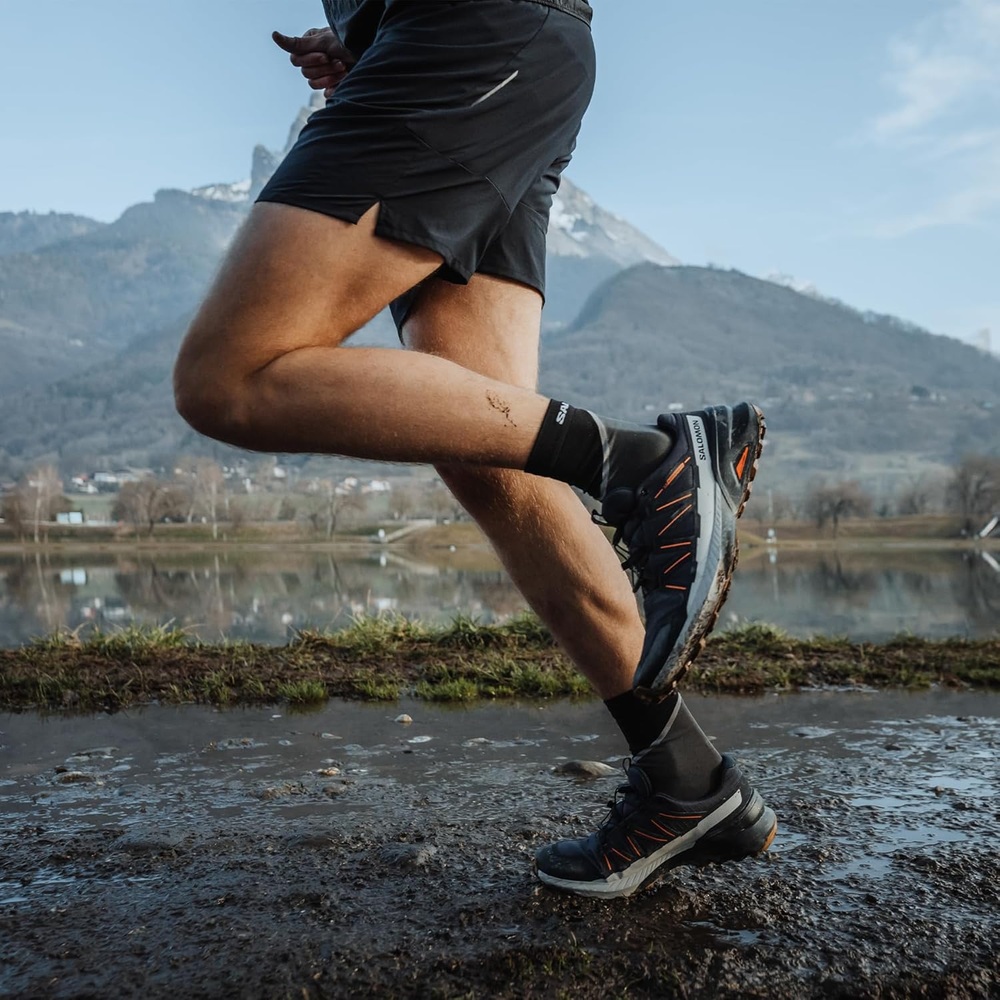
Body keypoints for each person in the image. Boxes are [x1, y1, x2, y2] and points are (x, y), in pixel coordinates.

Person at [173, 0, 776, 899]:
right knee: (490, 448)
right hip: (495, 49)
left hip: (469, 40)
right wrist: (367, 30)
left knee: (228, 377)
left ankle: (648, 465)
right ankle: (686, 779)